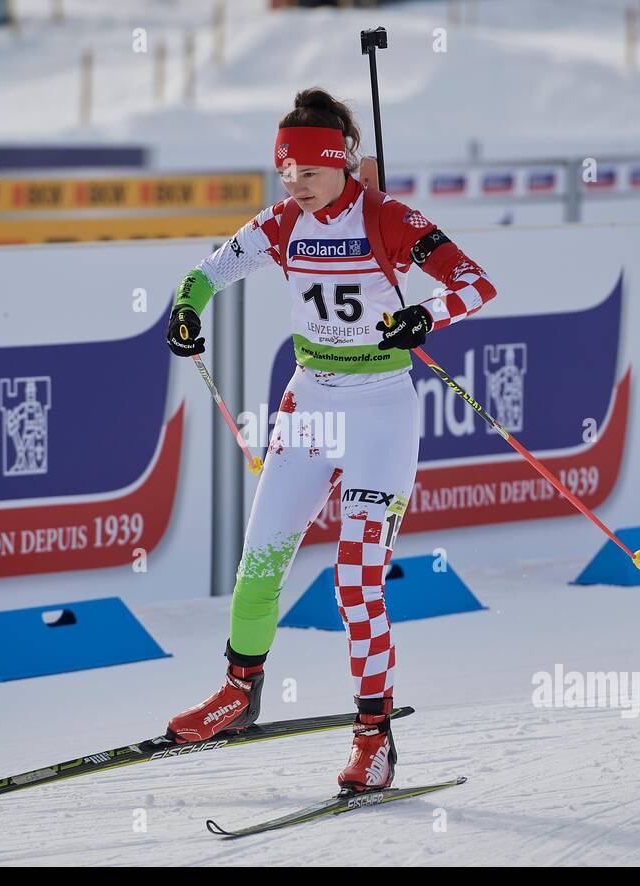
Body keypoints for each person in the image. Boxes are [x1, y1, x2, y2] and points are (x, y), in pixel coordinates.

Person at [163, 87, 497, 792]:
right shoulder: (283, 222)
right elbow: (211, 270)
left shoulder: (389, 218)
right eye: (285, 174)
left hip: (380, 412)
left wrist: (426, 315)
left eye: (307, 174)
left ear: (341, 163)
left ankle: (373, 741)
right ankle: (238, 693)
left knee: (355, 583)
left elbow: (475, 283)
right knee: (259, 564)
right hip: (310, 406)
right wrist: (187, 311)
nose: (295, 187)